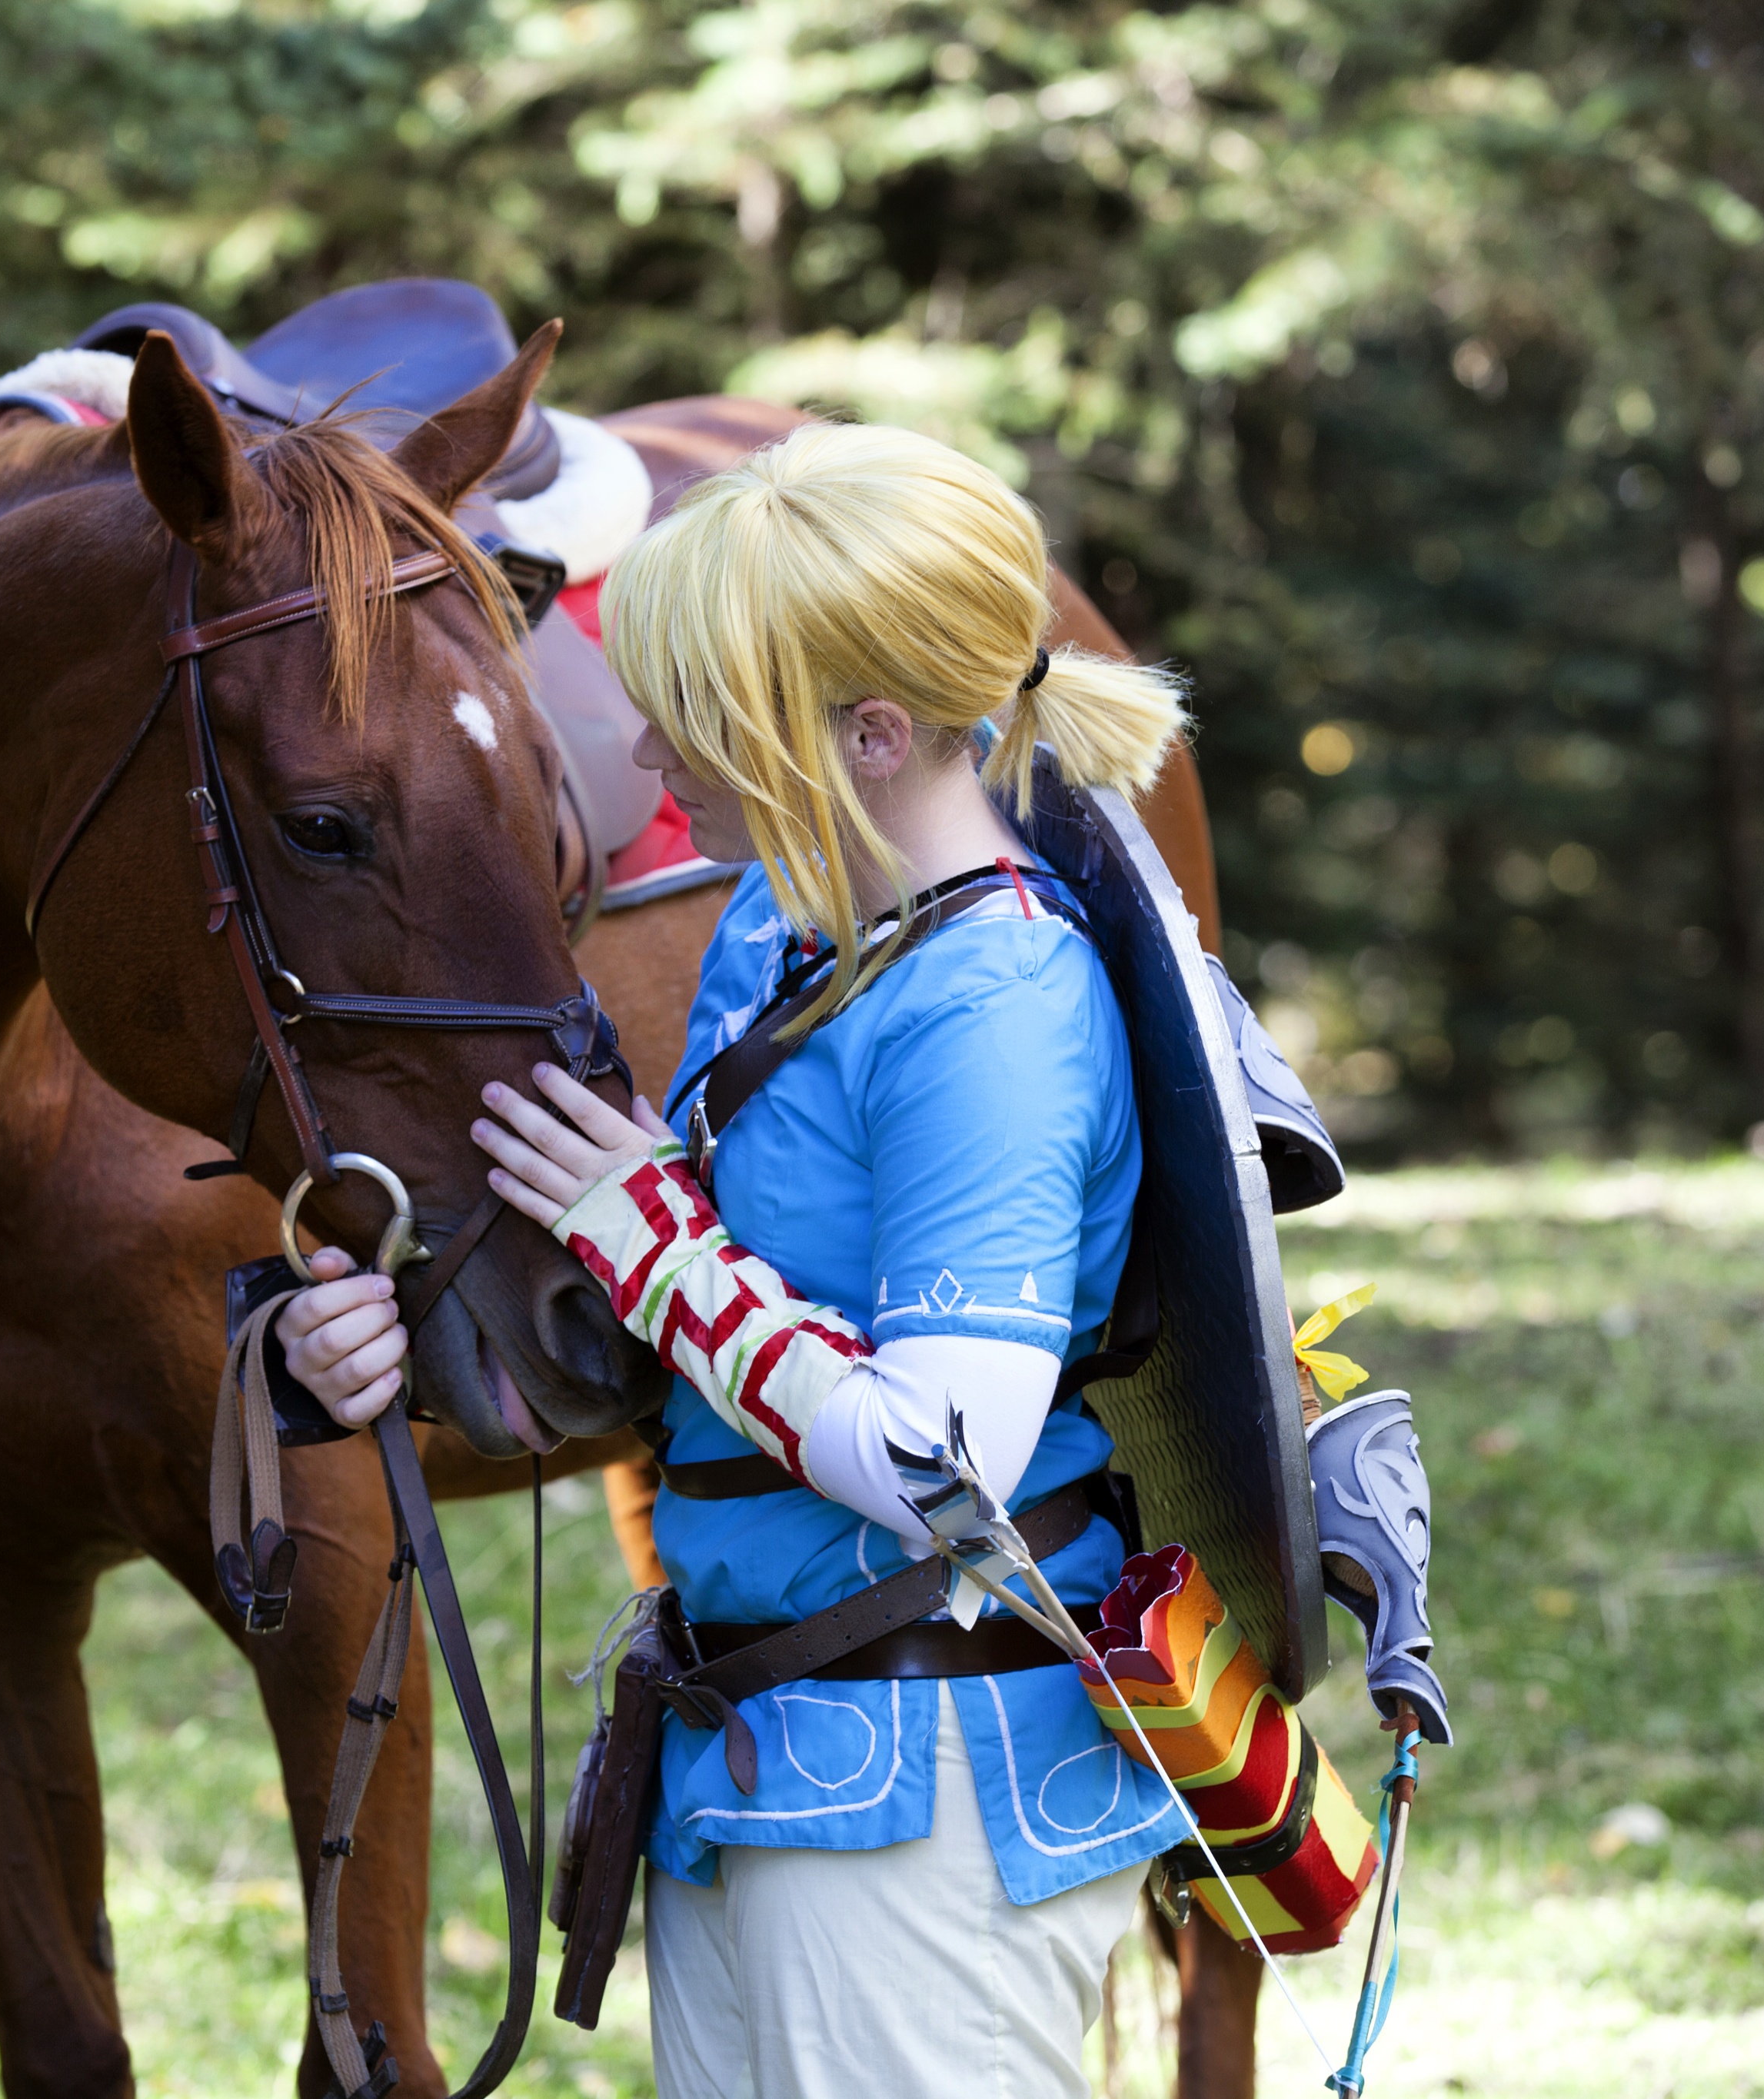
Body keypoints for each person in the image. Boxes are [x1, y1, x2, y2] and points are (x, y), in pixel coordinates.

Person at [275, 420, 1190, 2099]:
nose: (640, 749)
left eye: (690, 712)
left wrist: (653, 1243)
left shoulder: (990, 1009)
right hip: (761, 1760)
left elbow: (944, 1462)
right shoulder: (782, 930)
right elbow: (704, 1344)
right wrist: (383, 1352)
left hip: (924, 1802)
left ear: (868, 733)